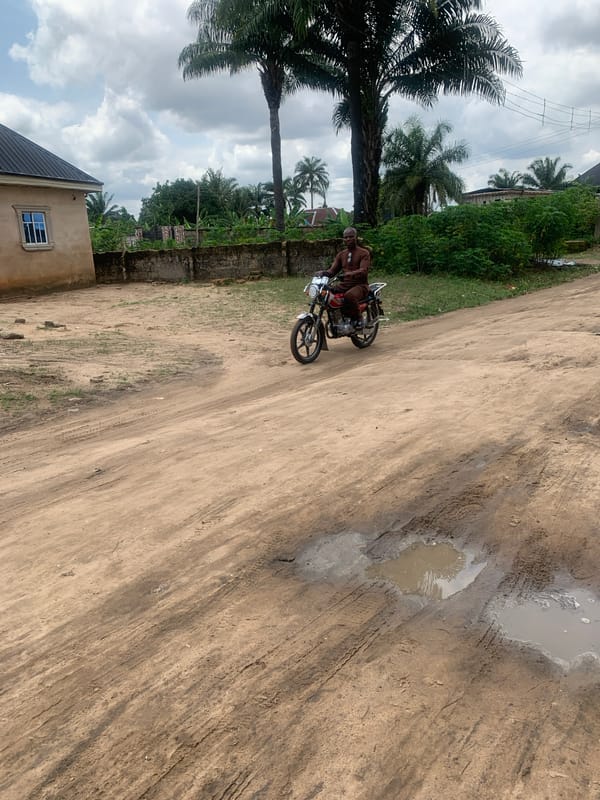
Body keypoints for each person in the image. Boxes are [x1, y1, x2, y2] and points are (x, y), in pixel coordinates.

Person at [319, 227, 371, 328]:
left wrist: (348, 274)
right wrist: (323, 273)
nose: (348, 239)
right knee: (326, 293)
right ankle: (337, 318)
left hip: (360, 285)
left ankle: (358, 319)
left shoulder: (364, 253)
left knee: (349, 296)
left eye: (351, 237)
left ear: (356, 237)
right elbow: (332, 271)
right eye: (346, 237)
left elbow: (363, 270)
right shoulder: (341, 255)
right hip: (345, 284)